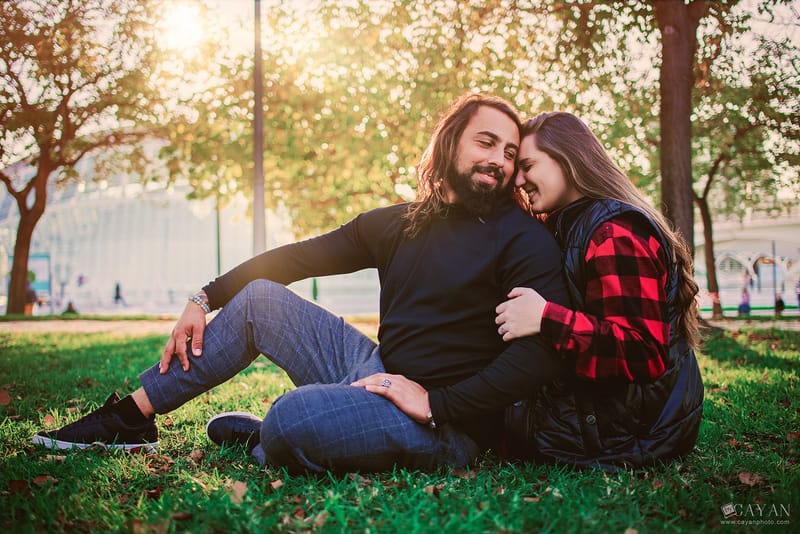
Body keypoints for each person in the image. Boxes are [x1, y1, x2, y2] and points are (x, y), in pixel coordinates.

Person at [33, 93, 569, 474]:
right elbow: (293, 259)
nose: (499, 161)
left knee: (293, 417)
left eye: (509, 153)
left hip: (446, 425)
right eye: (486, 142)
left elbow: (538, 357)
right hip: (374, 369)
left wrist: (437, 404)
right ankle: (130, 418)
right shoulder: (395, 224)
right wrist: (204, 297)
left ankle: (274, 435)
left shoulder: (523, 239)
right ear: (450, 142)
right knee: (261, 300)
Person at [495, 111, 704, 469]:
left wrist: (546, 318)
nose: (518, 180)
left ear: (568, 158)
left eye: (527, 166)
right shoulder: (570, 225)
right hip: (604, 421)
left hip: (632, 433)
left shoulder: (613, 233)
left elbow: (643, 352)